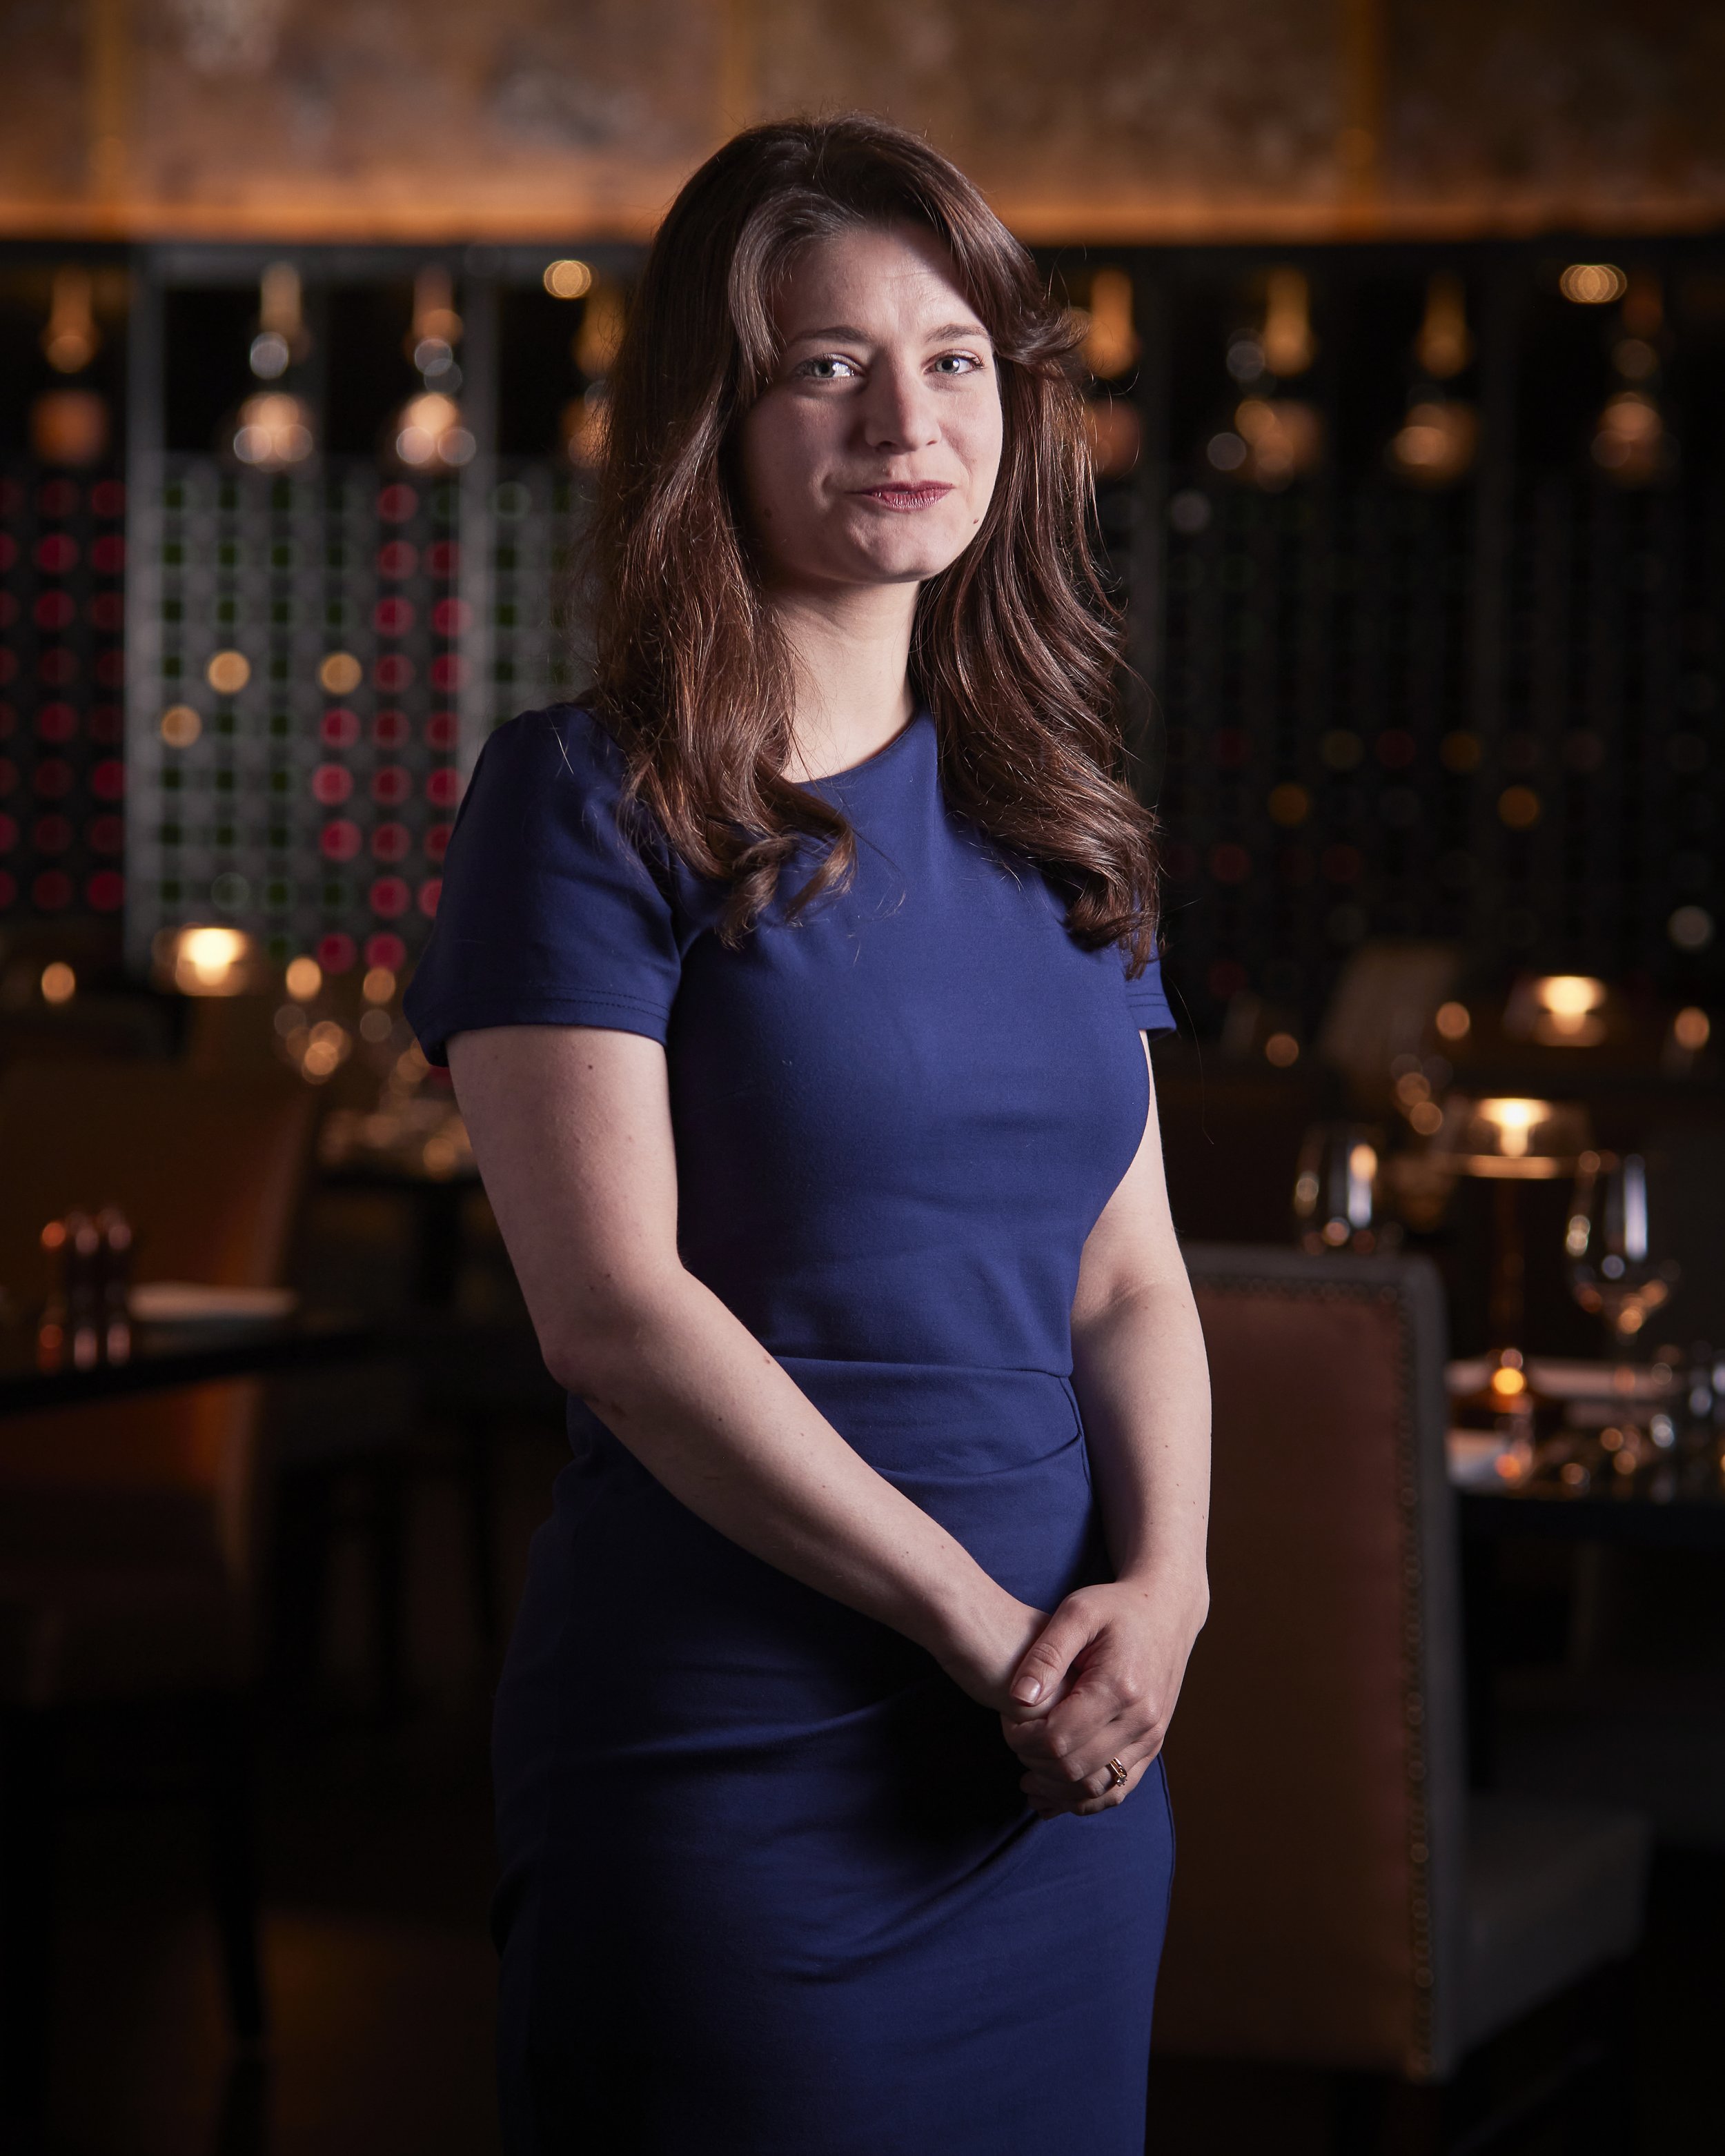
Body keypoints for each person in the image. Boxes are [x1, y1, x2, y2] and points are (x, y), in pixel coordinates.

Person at [404, 113, 1211, 2156]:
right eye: (824, 364)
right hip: (735, 1761)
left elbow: (1125, 1277)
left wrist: (1172, 1592)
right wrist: (985, 1640)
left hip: (1060, 1780)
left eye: (954, 359)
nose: (903, 414)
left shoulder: (1059, 817)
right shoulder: (583, 798)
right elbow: (613, 1321)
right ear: (717, 416)